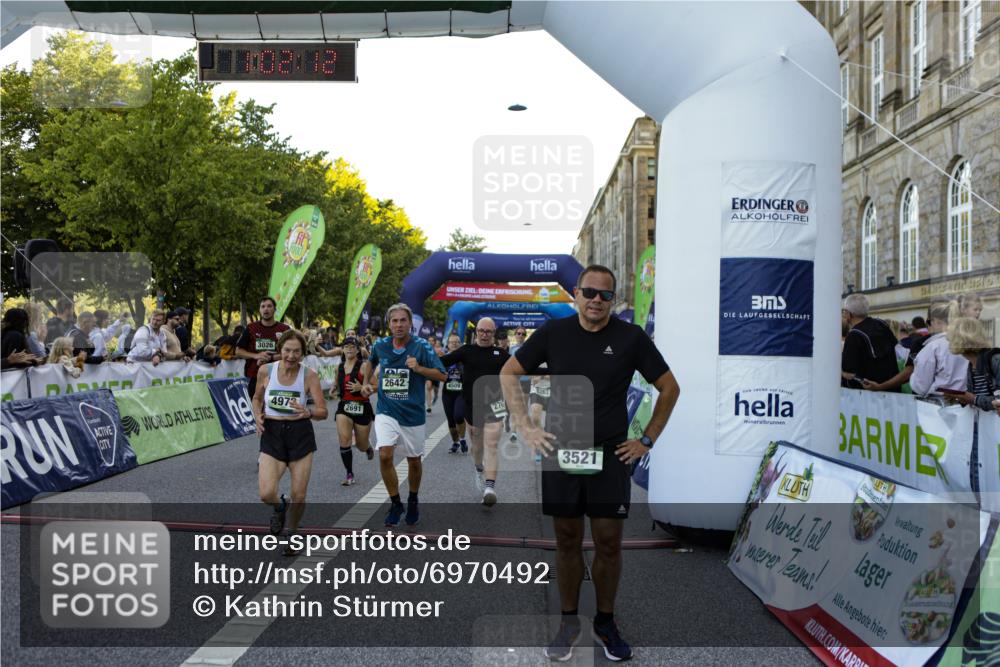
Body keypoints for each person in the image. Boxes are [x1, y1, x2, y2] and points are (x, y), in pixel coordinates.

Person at [500, 265, 680, 662]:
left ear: (613, 300)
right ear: (576, 295)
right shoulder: (553, 333)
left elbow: (669, 387)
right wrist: (527, 427)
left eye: (605, 295)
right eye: (589, 292)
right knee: (565, 540)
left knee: (609, 543)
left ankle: (604, 621)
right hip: (562, 450)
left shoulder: (631, 338)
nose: (597, 300)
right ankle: (567, 622)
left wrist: (647, 440)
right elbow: (510, 373)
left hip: (611, 452)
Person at [364, 303, 446, 527]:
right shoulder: (380, 345)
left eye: (403, 320)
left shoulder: (421, 346)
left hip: (413, 415)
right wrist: (365, 383)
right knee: (384, 455)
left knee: (414, 461)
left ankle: (412, 499)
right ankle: (395, 502)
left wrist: (419, 369)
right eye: (394, 321)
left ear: (410, 324)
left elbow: (442, 375)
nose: (399, 325)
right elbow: (369, 363)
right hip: (386, 411)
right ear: (389, 324)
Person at [252, 329, 328, 555]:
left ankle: (293, 534)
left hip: (299, 434)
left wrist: (309, 412)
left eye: (296, 352)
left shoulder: (309, 375)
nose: (291, 356)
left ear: (303, 353)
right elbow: (257, 398)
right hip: (273, 433)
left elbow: (323, 411)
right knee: (266, 493)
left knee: (300, 495)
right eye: (287, 350)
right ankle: (279, 506)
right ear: (280, 350)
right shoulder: (266, 371)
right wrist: (257, 415)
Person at [439, 318, 510, 506]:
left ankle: (489, 488)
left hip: (495, 404)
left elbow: (524, 367)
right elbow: (441, 362)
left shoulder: (501, 354)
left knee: (492, 445)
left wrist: (555, 368)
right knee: (477, 447)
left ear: (493, 333)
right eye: (481, 331)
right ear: (476, 332)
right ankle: (479, 469)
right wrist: (417, 362)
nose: (485, 335)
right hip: (472, 405)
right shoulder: (466, 351)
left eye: (488, 332)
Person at [334, 337, 375, 486]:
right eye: (346, 346)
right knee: (344, 439)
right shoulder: (339, 367)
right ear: (343, 349)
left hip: (362, 407)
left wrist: (361, 388)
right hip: (344, 407)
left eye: (352, 346)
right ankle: (349, 473)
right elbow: (337, 384)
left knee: (360, 445)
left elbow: (375, 386)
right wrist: (334, 389)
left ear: (358, 350)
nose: (349, 349)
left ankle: (367, 447)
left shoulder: (364, 366)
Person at [235, 297, 290, 400]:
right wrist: (256, 355)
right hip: (254, 376)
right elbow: (238, 351)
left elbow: (291, 353)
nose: (266, 309)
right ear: (260, 310)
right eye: (263, 306)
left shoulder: (285, 329)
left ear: (275, 309)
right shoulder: (251, 328)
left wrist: (272, 358)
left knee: (275, 412)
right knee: (256, 409)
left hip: (279, 376)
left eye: (269, 306)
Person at [841, 294, 899, 390]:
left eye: (844, 311)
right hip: (891, 386)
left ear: (849, 314)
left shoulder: (854, 334)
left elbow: (848, 371)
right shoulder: (881, 324)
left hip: (866, 392)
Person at [910, 303, 967, 396]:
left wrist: (913, 376)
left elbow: (920, 387)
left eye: (930, 321)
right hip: (968, 404)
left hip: (938, 404)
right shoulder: (970, 343)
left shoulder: (934, 347)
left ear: (937, 321)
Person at [946, 318, 1000, 414]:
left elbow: (998, 401)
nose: (949, 342)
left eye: (951, 338)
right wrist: (960, 399)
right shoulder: (971, 364)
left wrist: (973, 399)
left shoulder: (995, 360)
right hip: (984, 425)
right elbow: (978, 398)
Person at [441, 334, 469, 454]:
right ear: (448, 345)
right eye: (452, 342)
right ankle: (455, 442)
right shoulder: (444, 358)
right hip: (447, 393)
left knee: (458, 416)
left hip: (461, 393)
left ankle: (462, 439)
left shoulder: (465, 359)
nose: (454, 344)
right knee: (451, 421)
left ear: (460, 344)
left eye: (457, 342)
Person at [425, 335, 443, 414]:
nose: (430, 342)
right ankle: (429, 407)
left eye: (432, 340)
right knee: (429, 387)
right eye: (429, 340)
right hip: (428, 371)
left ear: (434, 342)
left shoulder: (438, 350)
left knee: (435, 389)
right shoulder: (425, 349)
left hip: (436, 372)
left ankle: (436, 396)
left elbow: (442, 359)